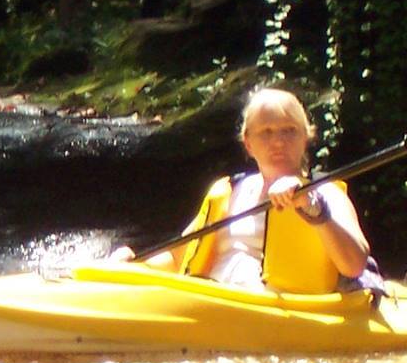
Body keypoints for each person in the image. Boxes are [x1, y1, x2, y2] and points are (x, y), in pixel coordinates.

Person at [112, 87, 373, 293]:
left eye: (289, 131)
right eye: (266, 132)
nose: (278, 142)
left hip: (275, 313)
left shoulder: (324, 193)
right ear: (248, 144)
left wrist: (313, 209)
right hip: (215, 300)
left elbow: (354, 264)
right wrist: (134, 269)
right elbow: (179, 258)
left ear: (306, 137)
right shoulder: (231, 190)